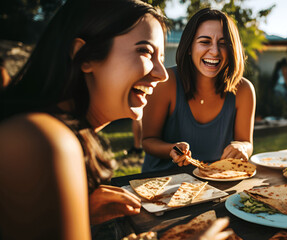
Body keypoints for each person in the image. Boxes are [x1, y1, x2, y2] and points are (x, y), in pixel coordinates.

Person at [0, 0, 168, 239]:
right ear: (83, 55)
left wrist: (75, 211)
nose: (161, 74)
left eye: (161, 57)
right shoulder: (42, 140)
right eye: (145, 51)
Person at [140, 8, 256, 173]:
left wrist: (242, 148)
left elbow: (246, 142)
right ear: (189, 47)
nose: (215, 51)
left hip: (214, 181)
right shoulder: (166, 83)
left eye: (223, 43)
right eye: (205, 41)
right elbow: (148, 140)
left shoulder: (244, 90)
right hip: (161, 183)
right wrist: (171, 149)